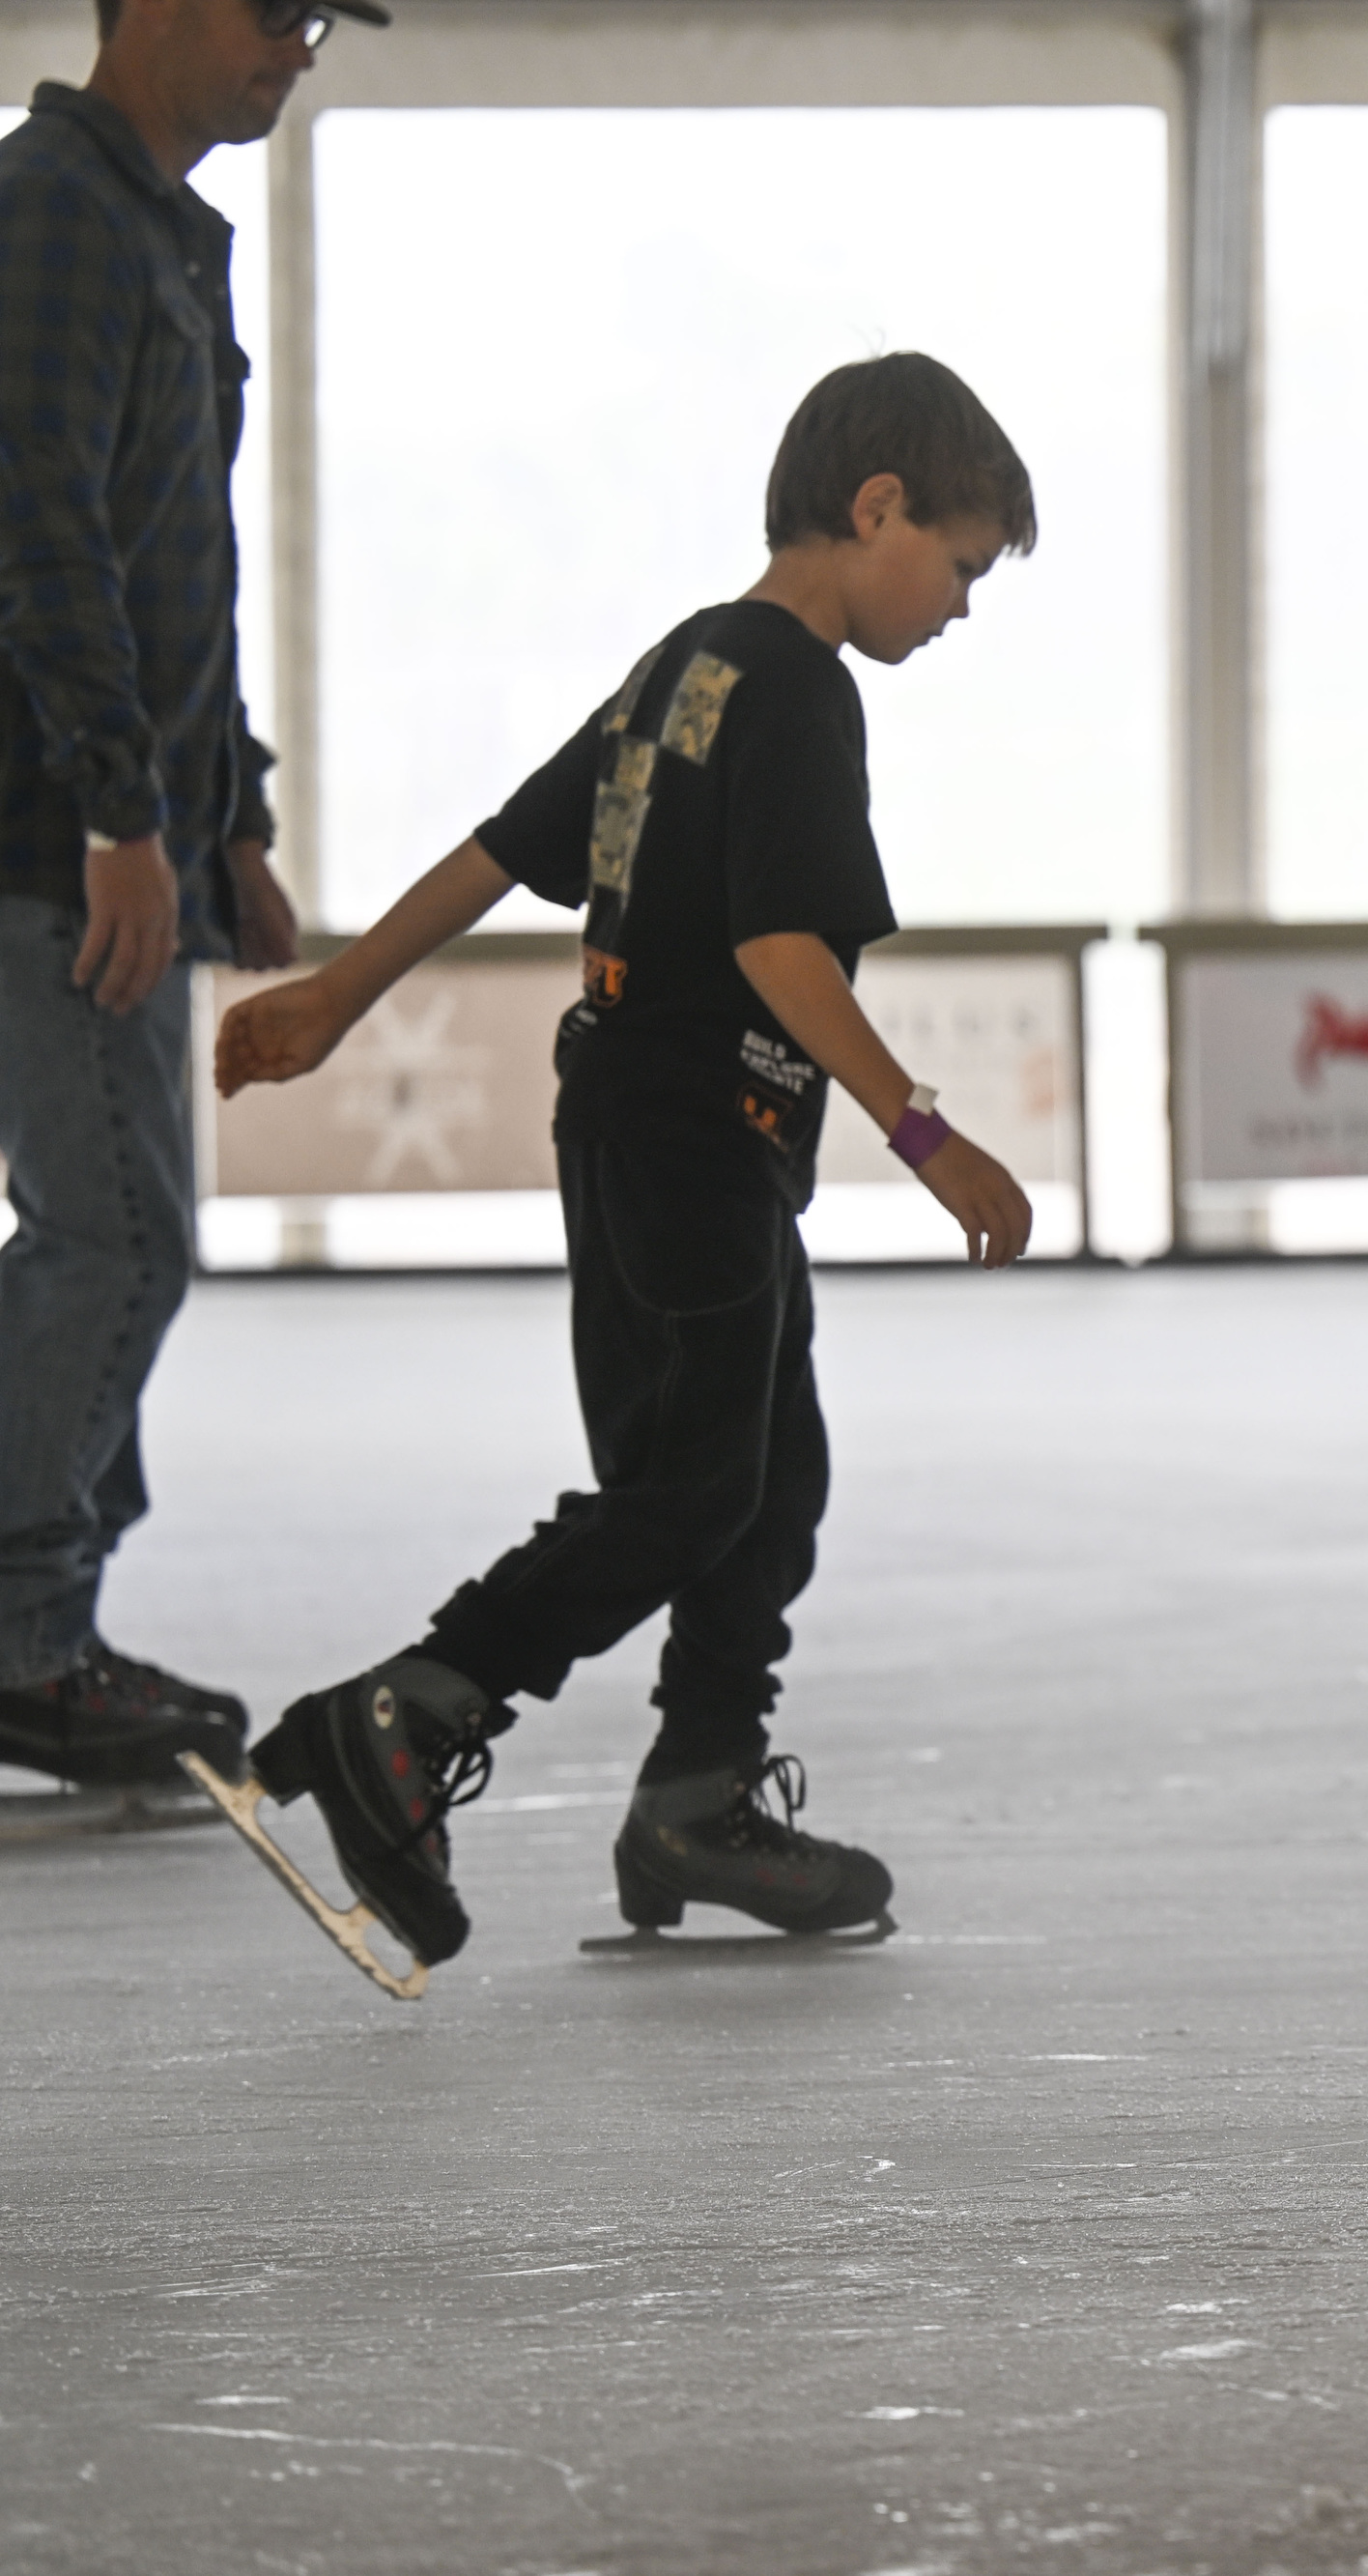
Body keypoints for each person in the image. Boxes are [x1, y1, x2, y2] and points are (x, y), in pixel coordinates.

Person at [203, 354, 1040, 1980]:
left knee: (763, 1474)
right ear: (878, 510)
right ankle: (411, 1707)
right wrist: (926, 1133)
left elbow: (506, 848)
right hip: (694, 1129)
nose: (957, 609)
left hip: (643, 1119)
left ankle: (698, 1797)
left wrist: (339, 992)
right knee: (692, 1485)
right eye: (960, 564)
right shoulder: (799, 684)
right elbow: (781, 944)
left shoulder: (685, 667)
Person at [0, 1, 388, 1800]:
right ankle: (19, 1639)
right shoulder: (56, 214)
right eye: (274, 11)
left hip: (120, 821)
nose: (300, 48)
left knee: (120, 1230)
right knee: (121, 1235)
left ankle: (43, 1623)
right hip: (49, 836)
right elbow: (38, 526)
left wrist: (224, 807)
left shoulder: (157, 230)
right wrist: (116, 813)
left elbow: (179, 557)